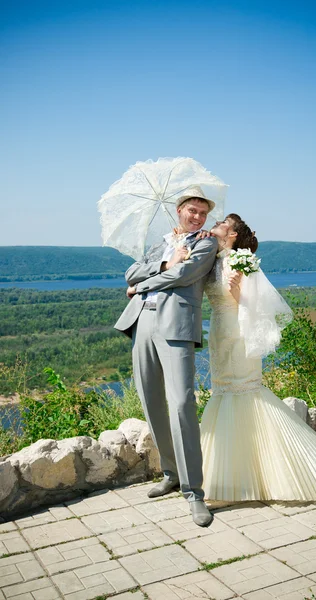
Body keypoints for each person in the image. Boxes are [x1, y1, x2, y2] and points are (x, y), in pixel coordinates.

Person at [198, 213, 316, 502]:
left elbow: (252, 305)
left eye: (222, 222)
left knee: (243, 389)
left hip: (237, 332)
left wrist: (236, 288)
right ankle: (231, 472)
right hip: (218, 334)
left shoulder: (239, 261)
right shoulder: (213, 257)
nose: (215, 223)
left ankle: (253, 475)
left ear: (232, 234)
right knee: (223, 389)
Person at [114, 186, 218, 526]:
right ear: (180, 210)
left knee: (182, 403)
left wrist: (143, 284)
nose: (198, 217)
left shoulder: (206, 243)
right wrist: (163, 261)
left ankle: (194, 493)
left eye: (203, 213)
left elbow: (184, 275)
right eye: (193, 211)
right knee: (150, 400)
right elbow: (130, 272)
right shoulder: (161, 243)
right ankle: (171, 473)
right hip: (142, 322)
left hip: (177, 326)